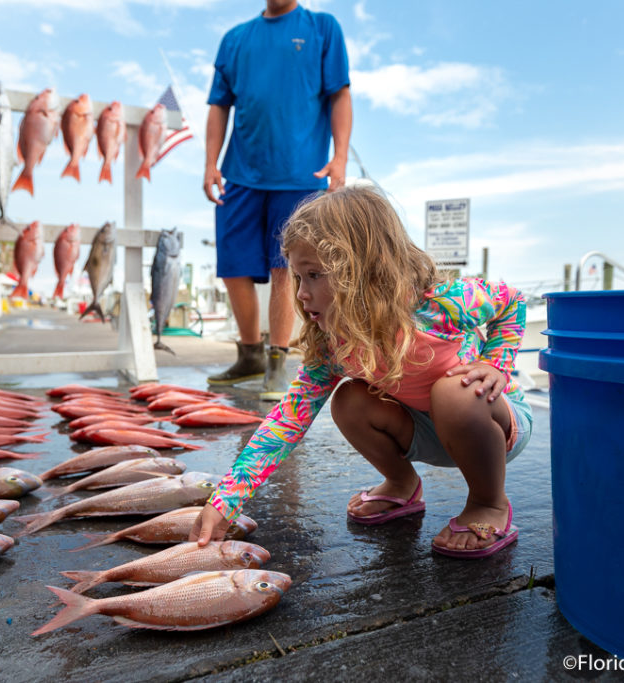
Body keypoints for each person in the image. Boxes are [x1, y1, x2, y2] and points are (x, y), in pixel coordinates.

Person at [190, 187, 533, 558]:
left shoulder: (438, 306)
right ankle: (402, 484)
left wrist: (495, 363)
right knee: (349, 400)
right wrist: (225, 501)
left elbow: (511, 299)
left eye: (314, 275)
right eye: (298, 278)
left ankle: (489, 503)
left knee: (453, 393)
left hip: (492, 426)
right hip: (424, 429)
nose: (302, 294)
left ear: (362, 271)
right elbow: (286, 421)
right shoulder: (332, 343)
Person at [203, 0, 352, 401]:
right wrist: (209, 163)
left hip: (300, 173)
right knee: (232, 265)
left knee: (287, 268)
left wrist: (339, 157)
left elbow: (339, 94)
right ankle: (249, 353)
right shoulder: (235, 39)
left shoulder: (323, 27)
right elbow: (219, 105)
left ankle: (277, 361)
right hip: (241, 172)